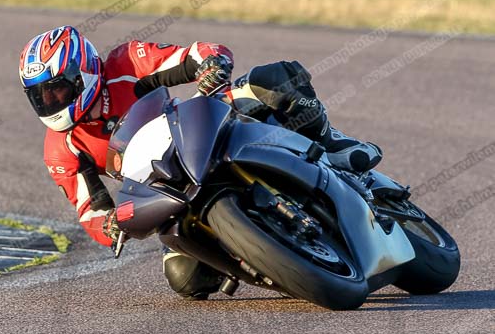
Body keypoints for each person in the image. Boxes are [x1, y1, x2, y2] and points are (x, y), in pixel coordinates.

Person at [19, 25, 382, 299]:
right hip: (165, 187)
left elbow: (196, 53)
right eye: (40, 96)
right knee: (187, 278)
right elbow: (89, 210)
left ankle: (333, 144)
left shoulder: (125, 62)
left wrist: (211, 64)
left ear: (82, 73)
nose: (50, 101)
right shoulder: (60, 148)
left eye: (57, 89)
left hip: (198, 131)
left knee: (273, 80)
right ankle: (268, 257)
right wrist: (110, 225)